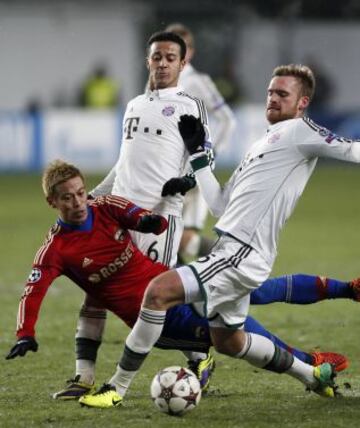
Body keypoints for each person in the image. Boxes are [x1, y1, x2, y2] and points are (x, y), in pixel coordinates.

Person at [80, 63, 360, 408]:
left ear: (302, 103)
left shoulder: (302, 132)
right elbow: (220, 205)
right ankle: (311, 374)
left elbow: (352, 150)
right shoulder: (264, 142)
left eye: (282, 94)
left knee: (157, 292)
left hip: (241, 253)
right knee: (229, 341)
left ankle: (116, 389)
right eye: (271, 91)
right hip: (234, 247)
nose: (272, 98)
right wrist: (198, 156)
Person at [5, 160, 351, 403]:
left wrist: (153, 221)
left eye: (81, 192)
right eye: (68, 197)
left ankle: (348, 289)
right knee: (235, 333)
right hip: (159, 320)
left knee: (255, 289)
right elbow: (33, 292)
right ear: (52, 201)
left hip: (172, 283)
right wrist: (26, 333)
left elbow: (139, 217)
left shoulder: (104, 206)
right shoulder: (56, 250)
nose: (79, 201)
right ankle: (311, 365)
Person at [69, 30, 217, 390]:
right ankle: (83, 376)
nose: (163, 63)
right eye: (157, 56)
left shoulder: (189, 104)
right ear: (147, 59)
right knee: (96, 291)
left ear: (183, 64)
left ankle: (200, 357)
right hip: (117, 213)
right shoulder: (133, 104)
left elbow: (205, 154)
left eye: (170, 58)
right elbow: (124, 162)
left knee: (151, 302)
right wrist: (96, 196)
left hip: (159, 219)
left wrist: (183, 182)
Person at [164, 23, 236, 262]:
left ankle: (231, 258)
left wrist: (208, 157)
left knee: (184, 241)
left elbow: (227, 120)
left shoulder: (197, 81)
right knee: (163, 238)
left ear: (190, 52)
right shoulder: (156, 82)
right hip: (164, 170)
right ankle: (178, 292)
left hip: (191, 176)